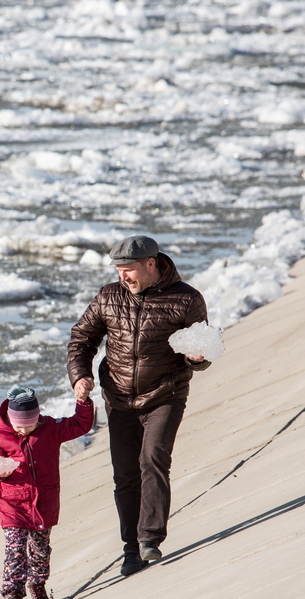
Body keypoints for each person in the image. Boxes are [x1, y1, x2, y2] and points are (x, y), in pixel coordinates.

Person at [67, 235, 212, 578]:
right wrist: (80, 376)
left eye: (128, 270)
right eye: (119, 270)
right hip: (118, 399)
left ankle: (149, 538)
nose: (123, 277)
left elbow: (203, 352)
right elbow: (82, 338)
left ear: (151, 263)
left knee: (153, 459)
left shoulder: (187, 299)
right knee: (125, 476)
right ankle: (130, 550)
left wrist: (196, 358)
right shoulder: (108, 296)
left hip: (165, 394)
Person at [0, 382, 94, 599]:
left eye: (29, 425)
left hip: (43, 504)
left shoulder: (50, 429)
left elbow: (80, 424)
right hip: (13, 506)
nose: (23, 431)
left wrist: (83, 401)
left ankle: (38, 588)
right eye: (19, 426)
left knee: (40, 551)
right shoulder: (1, 437)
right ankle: (12, 596)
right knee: (15, 549)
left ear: (38, 418)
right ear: (10, 420)